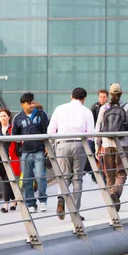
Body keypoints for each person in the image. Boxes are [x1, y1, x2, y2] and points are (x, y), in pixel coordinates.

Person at [47, 87, 95, 221]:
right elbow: (90, 134)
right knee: (77, 179)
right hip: (79, 145)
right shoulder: (86, 111)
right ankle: (75, 213)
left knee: (64, 176)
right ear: (84, 99)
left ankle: (61, 198)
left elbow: (51, 130)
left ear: (71, 96)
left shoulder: (60, 108)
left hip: (62, 144)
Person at [95, 83, 128, 211]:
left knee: (110, 175)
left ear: (110, 94)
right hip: (122, 145)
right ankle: (115, 192)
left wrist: (97, 146)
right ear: (121, 93)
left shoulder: (104, 108)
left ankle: (112, 203)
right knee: (121, 174)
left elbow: (98, 129)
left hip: (107, 145)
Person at [11, 92, 49, 213]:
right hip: (25, 151)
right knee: (27, 179)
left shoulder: (41, 114)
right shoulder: (18, 118)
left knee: (40, 176)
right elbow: (14, 135)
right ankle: (31, 203)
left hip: (39, 149)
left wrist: (48, 146)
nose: (32, 105)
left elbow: (47, 130)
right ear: (22, 104)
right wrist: (20, 140)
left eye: (33, 102)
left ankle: (43, 201)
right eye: (29, 103)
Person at [0, 108, 20, 213]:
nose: (3, 118)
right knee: (5, 180)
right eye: (1, 116)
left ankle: (6, 204)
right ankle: (14, 200)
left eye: (4, 116)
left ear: (9, 117)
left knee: (8, 181)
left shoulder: (12, 129)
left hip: (10, 157)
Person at [86, 89, 109, 181]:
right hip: (96, 135)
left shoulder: (109, 107)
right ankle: (94, 174)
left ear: (107, 97)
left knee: (105, 156)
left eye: (104, 97)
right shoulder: (94, 107)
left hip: (106, 136)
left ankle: (104, 175)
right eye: (101, 97)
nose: (102, 99)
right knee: (93, 154)